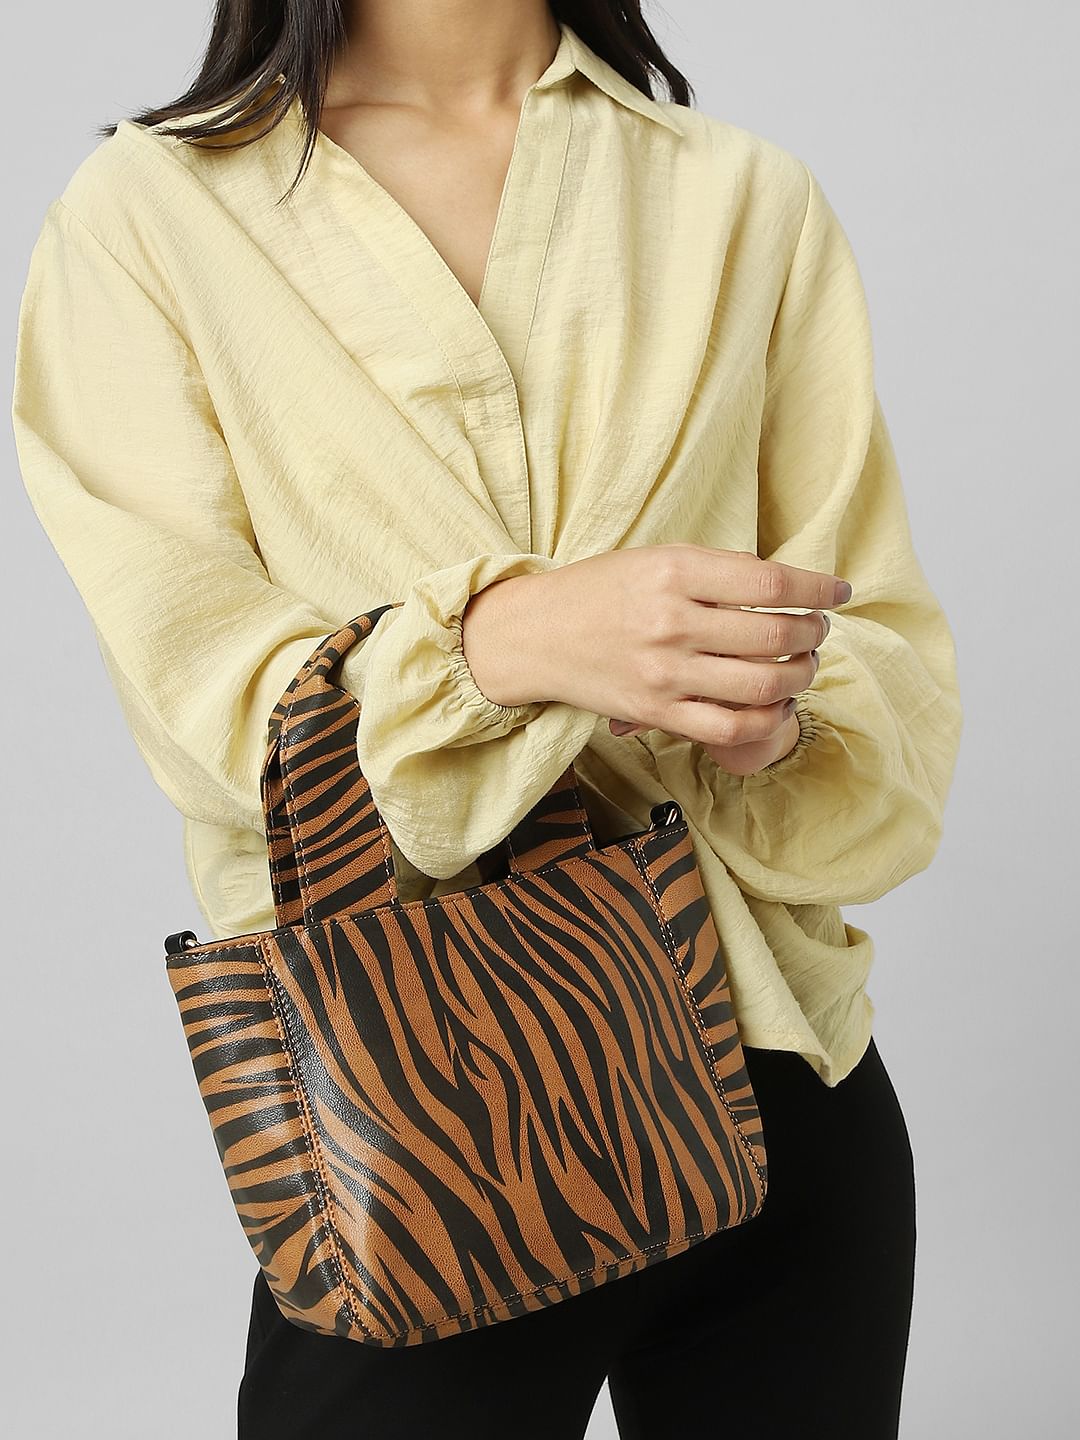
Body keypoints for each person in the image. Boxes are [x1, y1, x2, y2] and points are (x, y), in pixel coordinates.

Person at [11, 2, 962, 1436]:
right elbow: (204, 696)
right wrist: (504, 643)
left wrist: (781, 716)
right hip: (426, 1117)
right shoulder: (148, 216)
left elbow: (882, 641)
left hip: (785, 1078)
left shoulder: (738, 195)